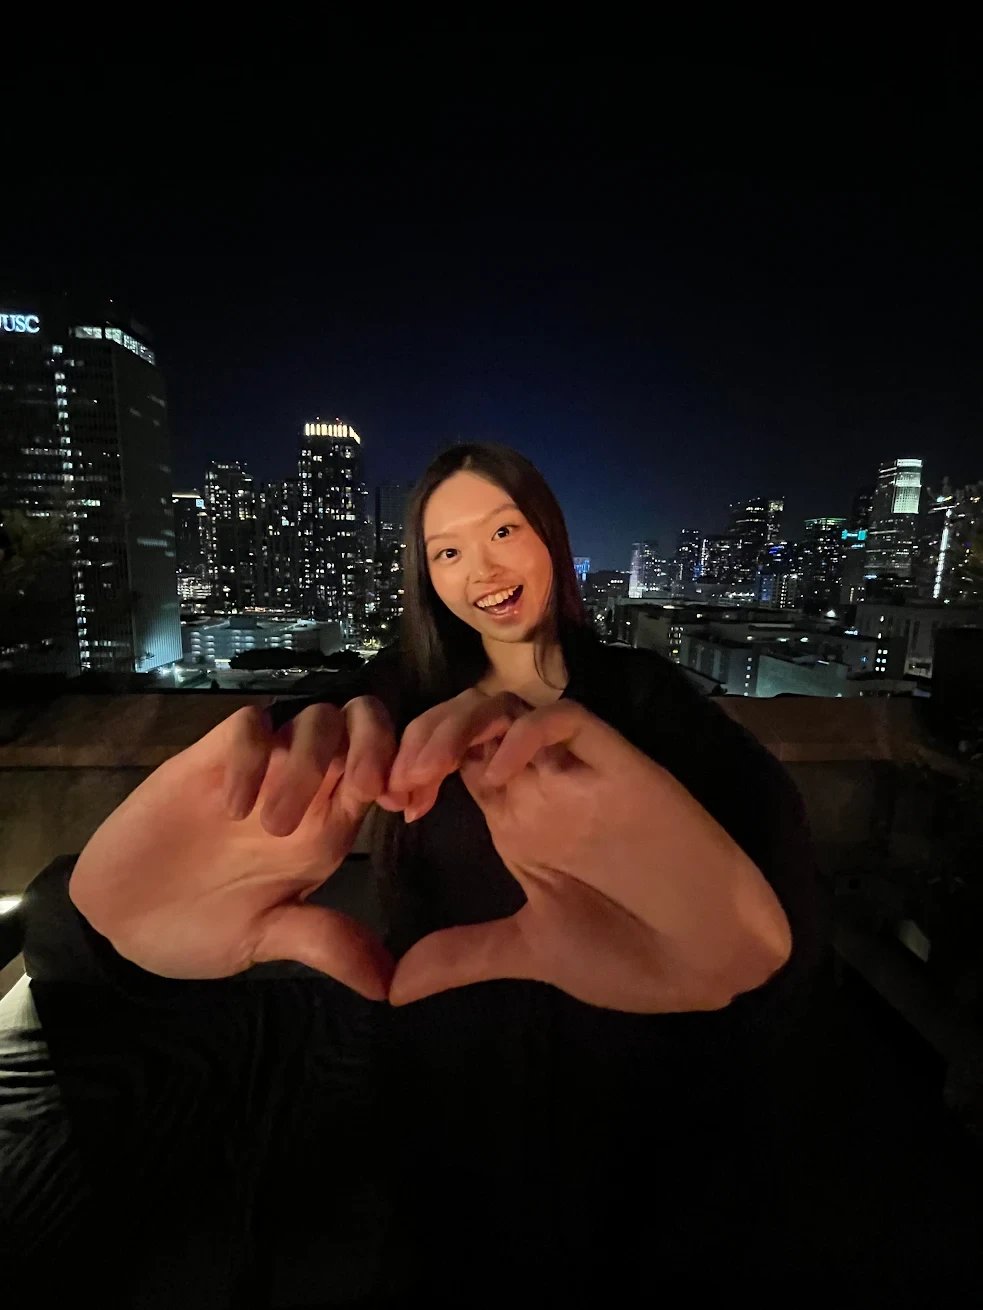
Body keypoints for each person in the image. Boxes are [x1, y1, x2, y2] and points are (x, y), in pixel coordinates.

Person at [14, 444, 825, 1306]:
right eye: (446, 550)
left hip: (629, 1095)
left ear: (549, 534)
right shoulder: (396, 697)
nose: (481, 568)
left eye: (503, 529)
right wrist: (99, 928)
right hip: (447, 1082)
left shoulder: (649, 699)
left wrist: (751, 966)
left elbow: (768, 899)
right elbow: (284, 749)